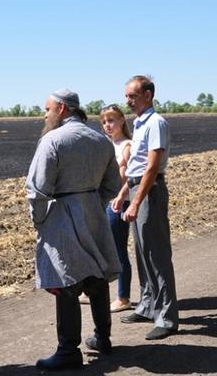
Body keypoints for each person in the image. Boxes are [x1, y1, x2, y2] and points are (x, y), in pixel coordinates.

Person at [26, 88, 122, 371]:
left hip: (61, 215)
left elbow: (37, 189)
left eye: (47, 109)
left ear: (62, 109)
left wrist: (40, 221)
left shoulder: (52, 140)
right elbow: (113, 186)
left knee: (66, 280)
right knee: (96, 275)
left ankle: (68, 350)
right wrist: (92, 204)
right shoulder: (100, 141)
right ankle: (103, 338)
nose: (44, 114)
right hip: (93, 210)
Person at [113, 75, 179, 341]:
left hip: (149, 192)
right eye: (127, 96)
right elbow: (136, 167)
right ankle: (148, 305)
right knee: (142, 253)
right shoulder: (139, 124)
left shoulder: (156, 123)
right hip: (138, 188)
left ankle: (167, 317)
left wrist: (137, 201)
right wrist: (123, 194)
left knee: (156, 255)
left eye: (133, 96)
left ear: (148, 95)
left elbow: (152, 168)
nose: (128, 101)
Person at [79, 105, 133, 312]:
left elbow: (124, 177)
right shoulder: (104, 145)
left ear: (122, 121)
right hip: (102, 202)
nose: (107, 125)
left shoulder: (126, 145)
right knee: (97, 246)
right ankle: (90, 291)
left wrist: (118, 196)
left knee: (118, 250)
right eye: (103, 122)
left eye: (111, 120)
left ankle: (123, 297)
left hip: (117, 202)